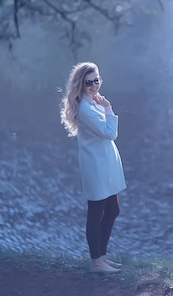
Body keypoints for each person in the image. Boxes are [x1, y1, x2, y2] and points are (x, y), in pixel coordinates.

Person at [60, 62, 127, 273]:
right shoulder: (85, 109)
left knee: (113, 209)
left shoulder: (94, 101)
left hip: (106, 162)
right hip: (96, 165)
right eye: (89, 82)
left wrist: (104, 106)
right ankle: (96, 261)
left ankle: (102, 257)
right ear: (81, 84)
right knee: (96, 211)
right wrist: (109, 108)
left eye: (96, 80)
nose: (94, 85)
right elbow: (110, 133)